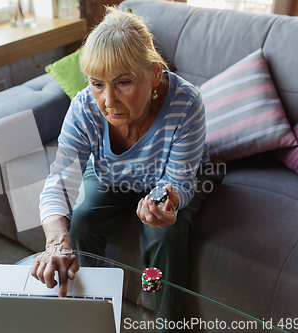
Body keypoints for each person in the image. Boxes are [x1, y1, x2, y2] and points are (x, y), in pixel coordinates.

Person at [31, 6, 208, 324]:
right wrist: (56, 243)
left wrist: (169, 199)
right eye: (97, 84)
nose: (108, 101)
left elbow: (180, 179)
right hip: (111, 176)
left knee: (165, 236)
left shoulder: (187, 103)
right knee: (81, 222)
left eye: (123, 83)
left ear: (154, 73)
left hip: (166, 178)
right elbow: (60, 180)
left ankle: (167, 323)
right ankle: (92, 315)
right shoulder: (84, 108)